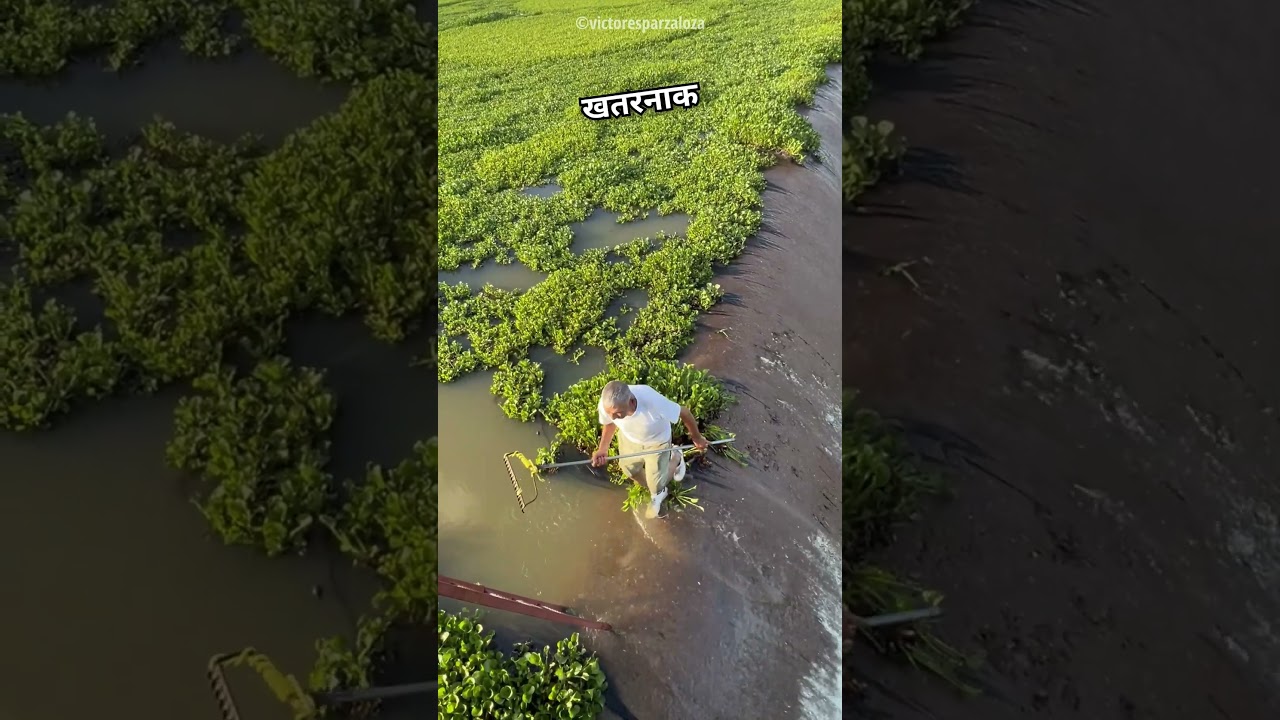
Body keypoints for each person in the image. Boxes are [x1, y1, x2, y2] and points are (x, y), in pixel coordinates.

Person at [592, 380, 709, 518]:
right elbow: (609, 423)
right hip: (630, 439)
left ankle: (675, 459)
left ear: (631, 402)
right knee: (630, 470)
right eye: (609, 413)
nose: (612, 417)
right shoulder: (608, 405)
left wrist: (697, 438)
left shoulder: (652, 400)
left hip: (657, 442)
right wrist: (602, 449)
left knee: (657, 485)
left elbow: (684, 413)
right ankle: (658, 489)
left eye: (617, 413)